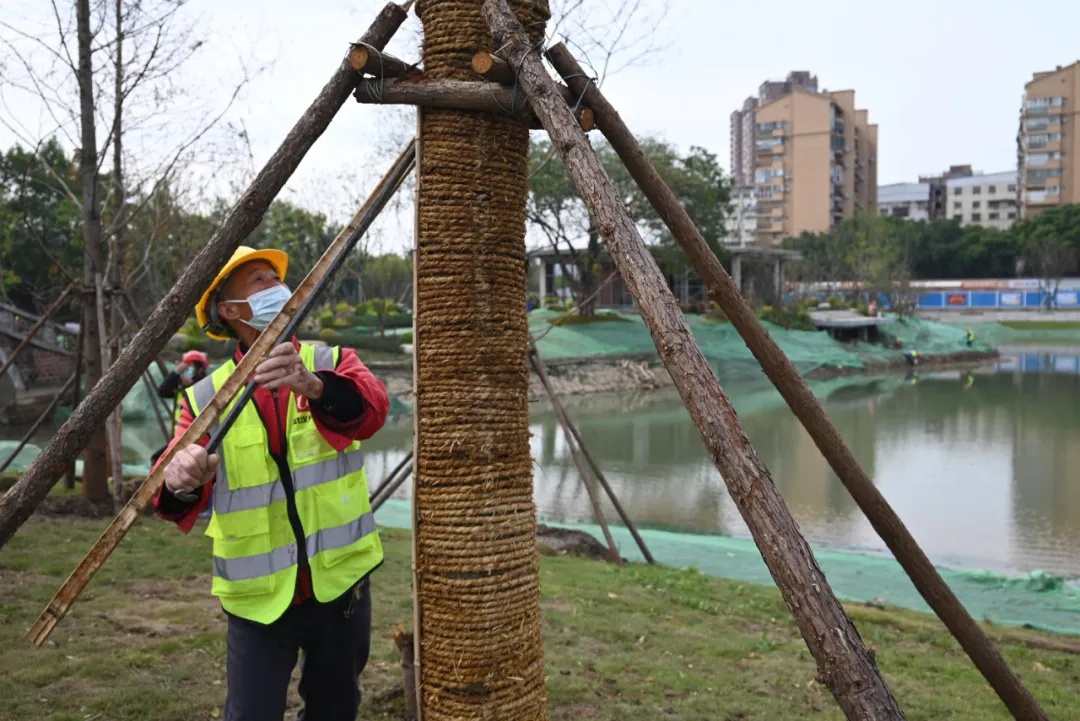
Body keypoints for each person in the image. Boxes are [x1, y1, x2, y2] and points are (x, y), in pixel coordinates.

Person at [151, 246, 389, 721]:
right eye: (260, 281)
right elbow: (170, 492)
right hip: (258, 601)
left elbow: (372, 411)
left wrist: (315, 386)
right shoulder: (204, 398)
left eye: (277, 279)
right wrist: (179, 479)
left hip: (340, 585)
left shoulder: (329, 359)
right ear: (232, 311)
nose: (279, 289)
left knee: (335, 708)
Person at [157, 350, 210, 432]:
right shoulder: (181, 389)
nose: (186, 372)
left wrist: (190, 384)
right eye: (184, 368)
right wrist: (175, 373)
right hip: (179, 438)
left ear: (200, 369)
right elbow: (162, 392)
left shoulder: (206, 386)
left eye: (190, 368)